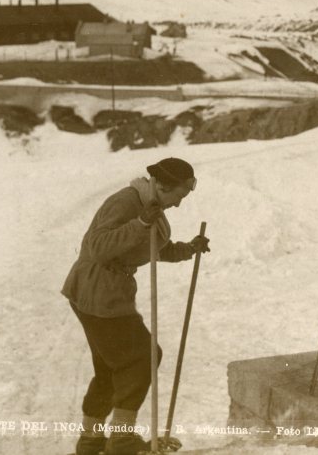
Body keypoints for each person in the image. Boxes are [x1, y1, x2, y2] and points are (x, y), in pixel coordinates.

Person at [62, 157, 210, 455]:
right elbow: (99, 247)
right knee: (143, 357)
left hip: (105, 293)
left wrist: (188, 249)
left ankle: (91, 440)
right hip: (98, 292)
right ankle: (122, 439)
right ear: (163, 186)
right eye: (179, 196)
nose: (178, 204)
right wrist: (140, 222)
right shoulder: (126, 202)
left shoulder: (150, 204)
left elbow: (152, 246)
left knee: (110, 367)